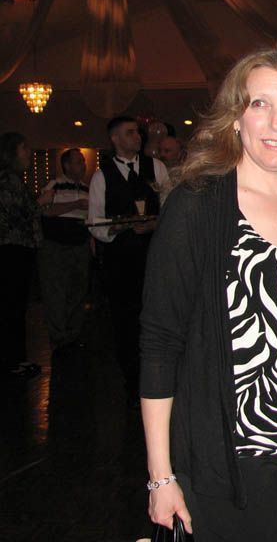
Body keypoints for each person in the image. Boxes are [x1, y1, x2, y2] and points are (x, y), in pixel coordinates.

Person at [140, 48, 277, 542]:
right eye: (259, 104)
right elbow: (160, 343)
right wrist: (161, 476)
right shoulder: (198, 204)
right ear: (234, 117)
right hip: (230, 458)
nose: (276, 121)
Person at [88, 115, 170, 404]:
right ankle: (130, 377)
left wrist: (154, 225)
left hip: (152, 255)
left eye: (137, 133)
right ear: (115, 139)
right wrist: (118, 227)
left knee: (155, 315)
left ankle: (158, 375)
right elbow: (95, 221)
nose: (137, 137)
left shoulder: (156, 168)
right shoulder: (102, 175)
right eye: (130, 132)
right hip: (119, 259)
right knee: (124, 319)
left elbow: (171, 209)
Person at [37, 148, 91, 350]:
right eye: (78, 162)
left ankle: (73, 333)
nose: (83, 165)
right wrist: (75, 204)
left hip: (80, 244)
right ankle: (59, 336)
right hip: (56, 245)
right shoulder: (55, 185)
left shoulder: (87, 188)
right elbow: (45, 211)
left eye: (83, 161)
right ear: (67, 165)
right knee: (56, 291)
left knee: (78, 290)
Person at [0, 132, 43, 377]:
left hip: (17, 249)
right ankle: (10, 359)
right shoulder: (8, 180)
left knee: (16, 306)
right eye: (24, 147)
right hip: (11, 250)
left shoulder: (14, 179)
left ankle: (16, 357)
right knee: (11, 305)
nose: (28, 152)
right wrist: (40, 203)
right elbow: (17, 215)